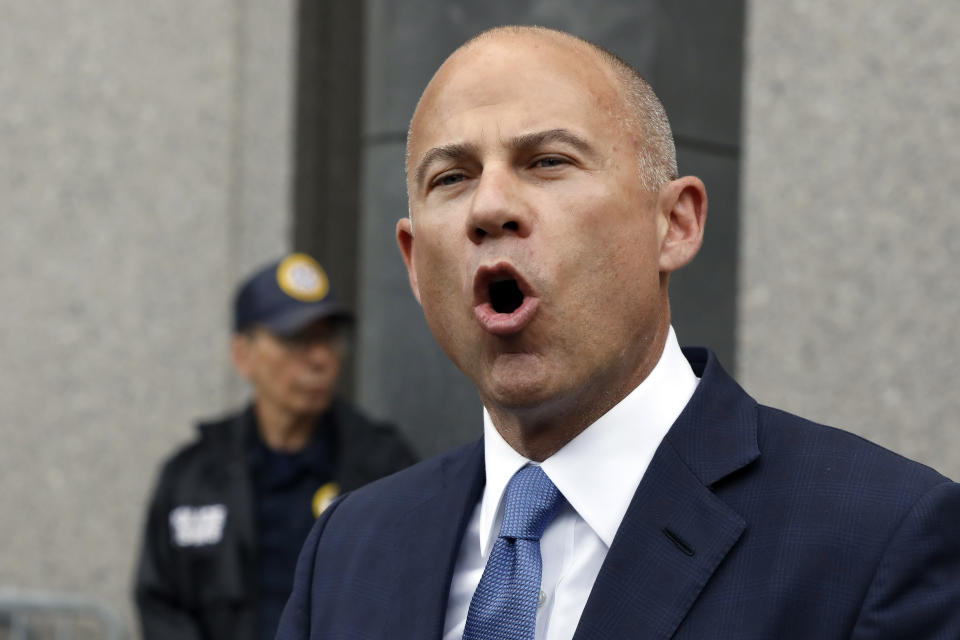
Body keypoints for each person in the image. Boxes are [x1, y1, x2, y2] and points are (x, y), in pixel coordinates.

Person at [276, 26, 960, 640]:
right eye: (452, 177)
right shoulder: (349, 548)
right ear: (415, 263)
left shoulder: (878, 538)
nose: (488, 207)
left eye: (547, 161)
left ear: (676, 224)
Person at [135, 253, 417, 640]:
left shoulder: (383, 467)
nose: (320, 358)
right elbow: (160, 603)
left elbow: (415, 595)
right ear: (243, 355)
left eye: (328, 339)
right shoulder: (192, 477)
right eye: (296, 339)